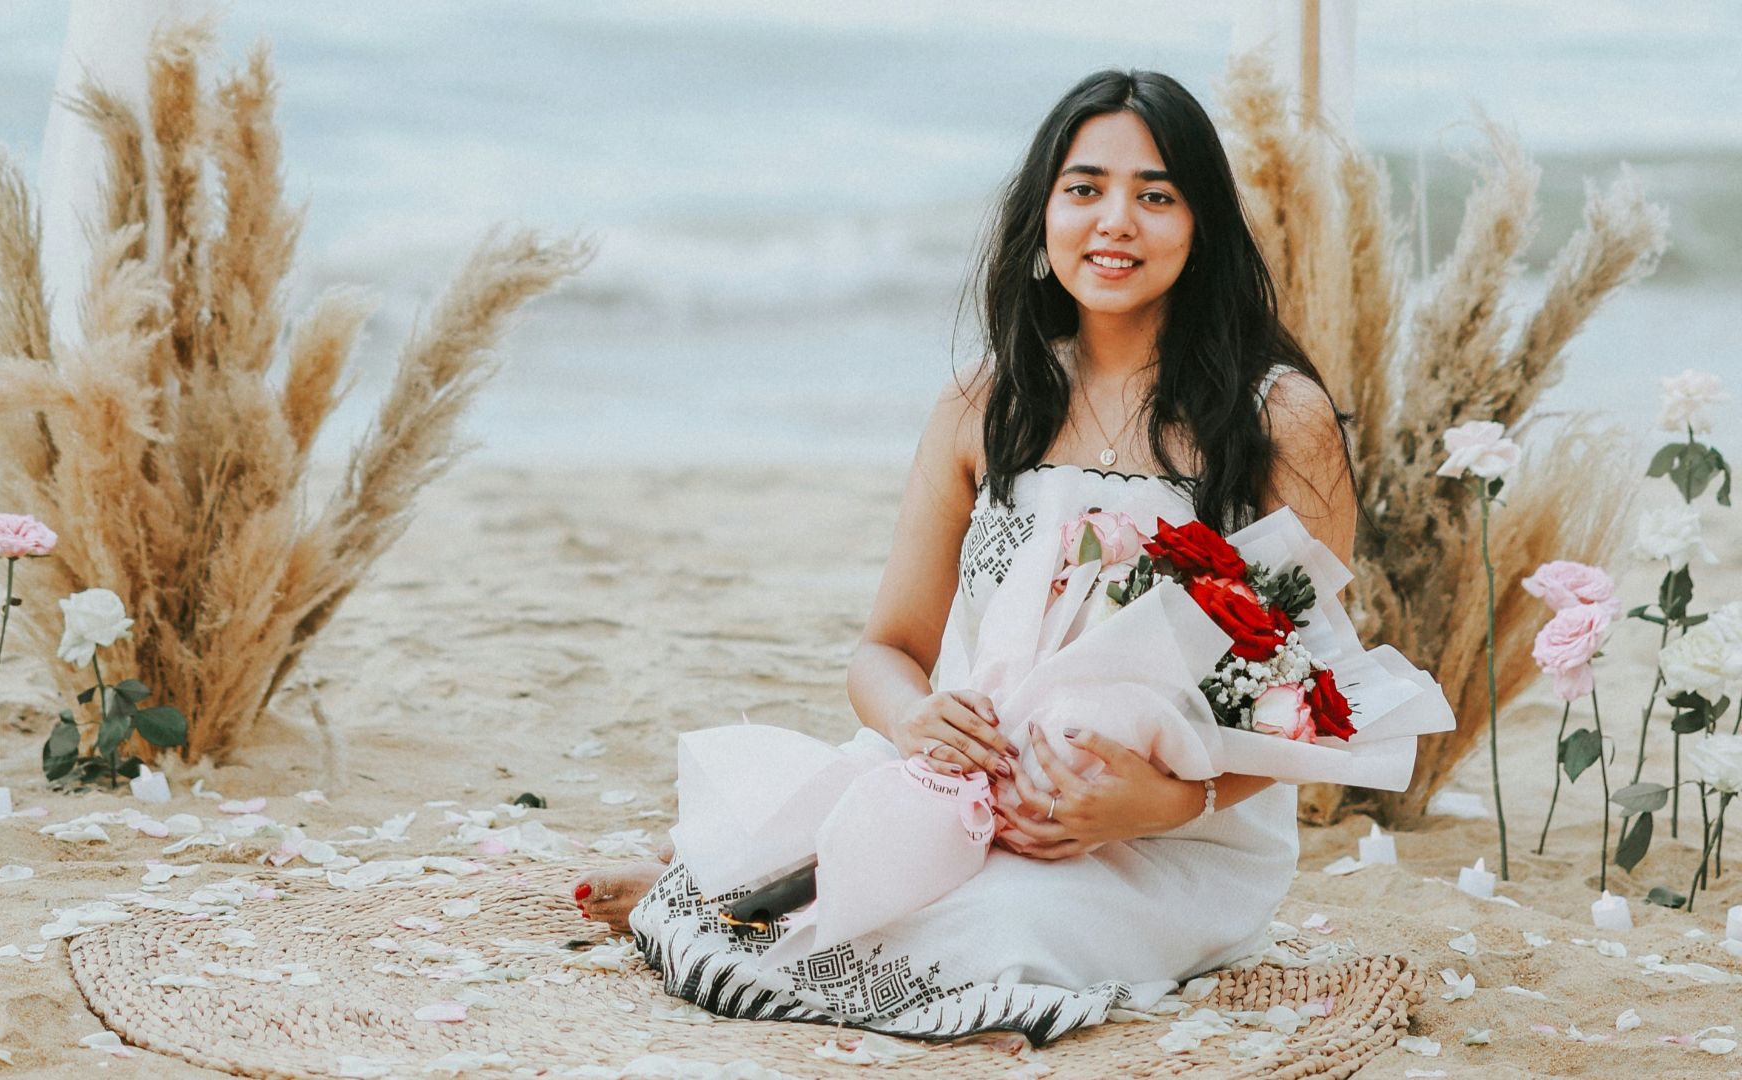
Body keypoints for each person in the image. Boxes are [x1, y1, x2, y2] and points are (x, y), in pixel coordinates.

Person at [571, 68, 1359, 1048]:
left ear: (1202, 225)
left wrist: (1157, 803)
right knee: (807, 851)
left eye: (1156, 195)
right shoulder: (985, 406)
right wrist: (915, 719)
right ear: (1041, 217)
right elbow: (883, 651)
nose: (1116, 221)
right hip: (957, 788)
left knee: (989, 934)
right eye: (1085, 189)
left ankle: (745, 904)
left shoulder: (1275, 418)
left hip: (1174, 838)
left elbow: (1317, 705)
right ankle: (730, 892)